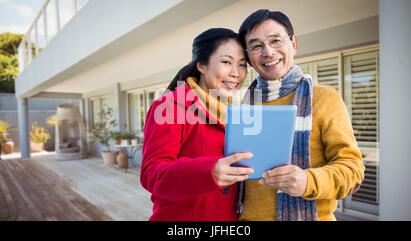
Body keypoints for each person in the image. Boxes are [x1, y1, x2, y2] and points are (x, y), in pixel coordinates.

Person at [236, 9, 365, 221]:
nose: (268, 52)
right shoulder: (243, 106)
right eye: (256, 46)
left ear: (293, 43)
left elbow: (353, 171)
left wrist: (308, 181)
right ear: (249, 57)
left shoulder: (324, 98)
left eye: (275, 40)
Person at [140, 28, 255, 221]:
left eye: (242, 65)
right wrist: (208, 171)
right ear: (201, 65)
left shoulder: (235, 113)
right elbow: (151, 173)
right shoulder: (170, 106)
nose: (236, 73)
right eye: (226, 62)